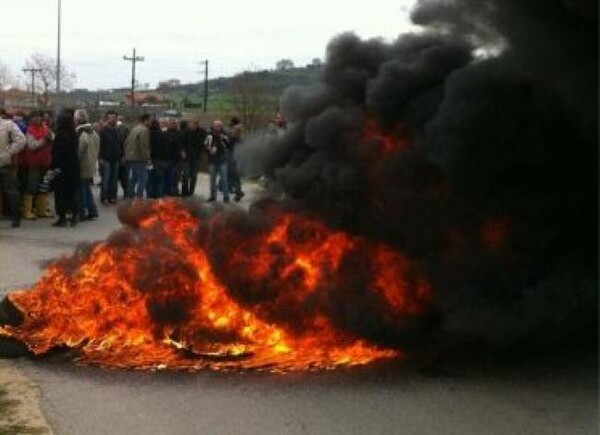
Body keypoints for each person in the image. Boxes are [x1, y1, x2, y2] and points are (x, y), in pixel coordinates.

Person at [22, 111, 54, 220]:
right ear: (30, 120)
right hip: (33, 163)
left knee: (43, 187)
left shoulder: (46, 128)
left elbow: (53, 138)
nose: (38, 119)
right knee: (31, 187)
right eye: (35, 117)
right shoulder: (29, 131)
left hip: (45, 162)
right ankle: (27, 211)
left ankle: (41, 210)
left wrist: (50, 138)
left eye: (39, 117)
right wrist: (45, 139)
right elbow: (32, 146)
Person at [50, 109, 80, 227]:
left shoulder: (59, 135)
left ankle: (62, 217)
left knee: (60, 193)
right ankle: (74, 216)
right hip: (73, 166)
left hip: (60, 167)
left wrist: (53, 166)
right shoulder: (74, 133)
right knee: (71, 192)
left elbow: (56, 153)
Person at [0, 116, 26, 227]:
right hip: (6, 160)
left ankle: (16, 215)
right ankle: (15, 215)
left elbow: (21, 140)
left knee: (11, 190)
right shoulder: (8, 125)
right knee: (11, 190)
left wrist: (9, 152)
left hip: (6, 162)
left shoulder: (8, 125)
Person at [75, 109, 100, 221]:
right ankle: (92, 210)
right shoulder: (94, 133)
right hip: (91, 163)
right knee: (86, 188)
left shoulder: (81, 133)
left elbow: (80, 150)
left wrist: (75, 159)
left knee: (81, 189)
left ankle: (82, 212)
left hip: (83, 164)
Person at [123, 113, 151, 199]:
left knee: (134, 178)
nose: (151, 122)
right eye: (150, 120)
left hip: (131, 157)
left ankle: (130, 195)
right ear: (146, 120)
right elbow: (144, 145)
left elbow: (126, 143)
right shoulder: (144, 130)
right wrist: (147, 158)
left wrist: (127, 154)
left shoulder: (134, 129)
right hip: (139, 158)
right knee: (143, 179)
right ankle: (139, 198)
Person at [98, 110, 122, 205]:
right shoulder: (103, 131)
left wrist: (122, 155)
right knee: (106, 179)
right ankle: (104, 198)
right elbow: (99, 145)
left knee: (114, 179)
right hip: (106, 158)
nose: (112, 119)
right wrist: (100, 158)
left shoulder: (117, 130)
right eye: (110, 117)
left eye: (114, 117)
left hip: (116, 158)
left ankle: (112, 197)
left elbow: (121, 144)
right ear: (107, 119)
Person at [204, 120, 230, 203]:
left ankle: (226, 197)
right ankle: (212, 196)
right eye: (216, 125)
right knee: (212, 180)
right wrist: (209, 151)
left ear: (221, 126)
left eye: (219, 125)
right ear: (213, 126)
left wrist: (222, 140)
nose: (217, 127)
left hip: (222, 160)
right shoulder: (209, 135)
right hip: (212, 160)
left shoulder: (225, 135)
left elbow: (228, 145)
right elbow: (205, 146)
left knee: (224, 179)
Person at [181, 120, 206, 196]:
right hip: (187, 156)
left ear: (197, 125)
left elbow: (204, 142)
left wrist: (202, 151)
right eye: (191, 124)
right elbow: (181, 142)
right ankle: (184, 191)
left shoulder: (202, 132)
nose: (193, 126)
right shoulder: (185, 132)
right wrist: (182, 151)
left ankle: (191, 191)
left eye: (195, 125)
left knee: (194, 175)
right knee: (186, 174)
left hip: (196, 156)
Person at [163, 118, 184, 196]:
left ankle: (174, 191)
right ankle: (169, 191)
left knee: (176, 177)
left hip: (177, 159)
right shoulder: (165, 134)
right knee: (169, 177)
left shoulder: (179, 134)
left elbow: (181, 145)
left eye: (173, 123)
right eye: (171, 123)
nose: (172, 125)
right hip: (168, 159)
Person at [148, 118, 167, 198]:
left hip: (150, 160)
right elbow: (166, 148)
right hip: (160, 160)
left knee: (151, 178)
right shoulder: (162, 134)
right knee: (160, 179)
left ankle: (150, 195)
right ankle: (159, 195)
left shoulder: (148, 134)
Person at [227, 116, 244, 202]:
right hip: (236, 154)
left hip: (234, 155)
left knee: (234, 175)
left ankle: (238, 192)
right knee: (235, 175)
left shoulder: (235, 130)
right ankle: (238, 191)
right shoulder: (238, 131)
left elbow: (230, 141)